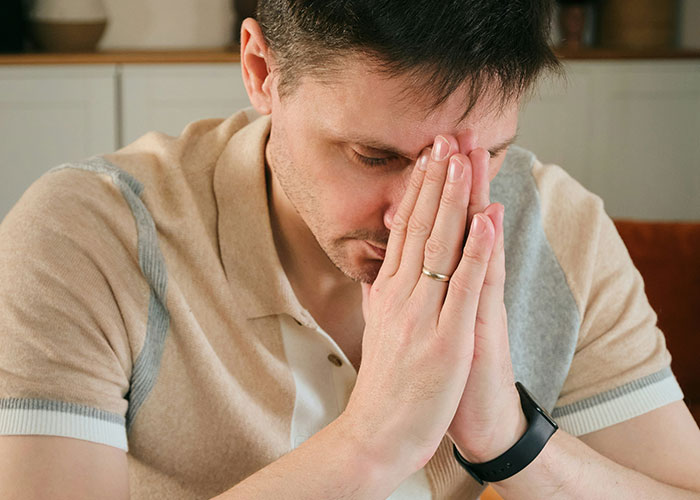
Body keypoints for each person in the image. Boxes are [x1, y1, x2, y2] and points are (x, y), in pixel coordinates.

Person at [1, 1, 699, 498]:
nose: (418, 215)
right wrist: (373, 441)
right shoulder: (88, 235)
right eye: (374, 156)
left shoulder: (560, 228)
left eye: (484, 155)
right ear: (260, 70)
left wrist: (507, 439)